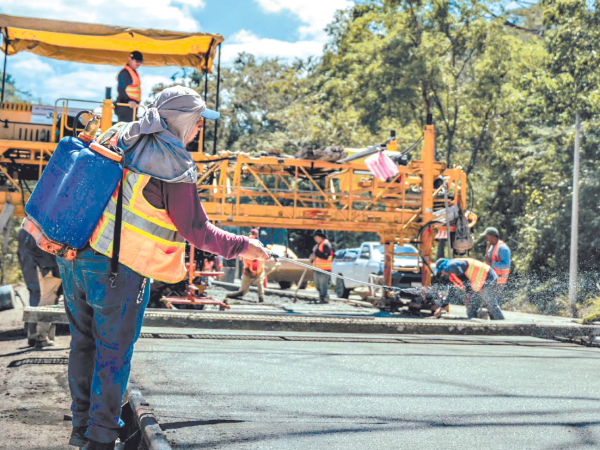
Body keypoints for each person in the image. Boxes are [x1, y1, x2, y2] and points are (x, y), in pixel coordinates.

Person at [56, 86, 269, 450]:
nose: (200, 126)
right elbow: (197, 231)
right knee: (112, 352)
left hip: (74, 258)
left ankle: (83, 431)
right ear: (182, 120)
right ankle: (101, 438)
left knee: (83, 345)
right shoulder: (172, 162)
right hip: (116, 270)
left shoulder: (119, 134)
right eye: (198, 119)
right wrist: (245, 246)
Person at [17, 228, 61, 348]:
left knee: (40, 298)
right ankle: (41, 336)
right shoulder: (50, 223)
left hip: (41, 267)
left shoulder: (28, 227)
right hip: (50, 268)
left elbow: (25, 249)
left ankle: (34, 335)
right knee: (48, 301)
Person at [435, 258, 504, 320]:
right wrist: (441, 307)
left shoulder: (453, 265)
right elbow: (452, 292)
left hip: (488, 277)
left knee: (490, 303)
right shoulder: (452, 275)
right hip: (480, 285)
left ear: (443, 267)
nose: (442, 274)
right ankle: (477, 328)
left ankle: (502, 325)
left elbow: (466, 281)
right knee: (471, 308)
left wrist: (469, 294)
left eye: (441, 272)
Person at [226, 229, 266, 303]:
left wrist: (255, 272)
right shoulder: (247, 249)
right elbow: (246, 262)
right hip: (248, 270)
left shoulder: (259, 250)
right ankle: (241, 292)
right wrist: (250, 270)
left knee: (260, 284)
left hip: (259, 271)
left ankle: (261, 297)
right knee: (244, 286)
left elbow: (260, 263)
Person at [115, 51, 143, 123]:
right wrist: (128, 101)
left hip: (132, 107)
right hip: (126, 106)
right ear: (129, 59)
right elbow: (121, 89)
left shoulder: (133, 72)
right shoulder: (125, 73)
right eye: (136, 61)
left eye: (140, 62)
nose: (138, 64)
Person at [482, 227, 511, 292]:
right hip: (492, 280)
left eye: (486, 237)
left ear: (492, 237)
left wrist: (491, 264)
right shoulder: (492, 246)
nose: (485, 238)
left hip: (499, 281)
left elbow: (506, 265)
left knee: (494, 301)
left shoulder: (503, 248)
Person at [309, 230, 333, 304]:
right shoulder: (317, 246)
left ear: (320, 237)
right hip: (317, 268)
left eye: (316, 236)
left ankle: (325, 298)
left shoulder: (326, 244)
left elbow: (325, 256)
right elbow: (317, 257)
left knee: (323, 286)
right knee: (318, 285)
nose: (315, 238)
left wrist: (316, 252)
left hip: (324, 269)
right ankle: (321, 298)